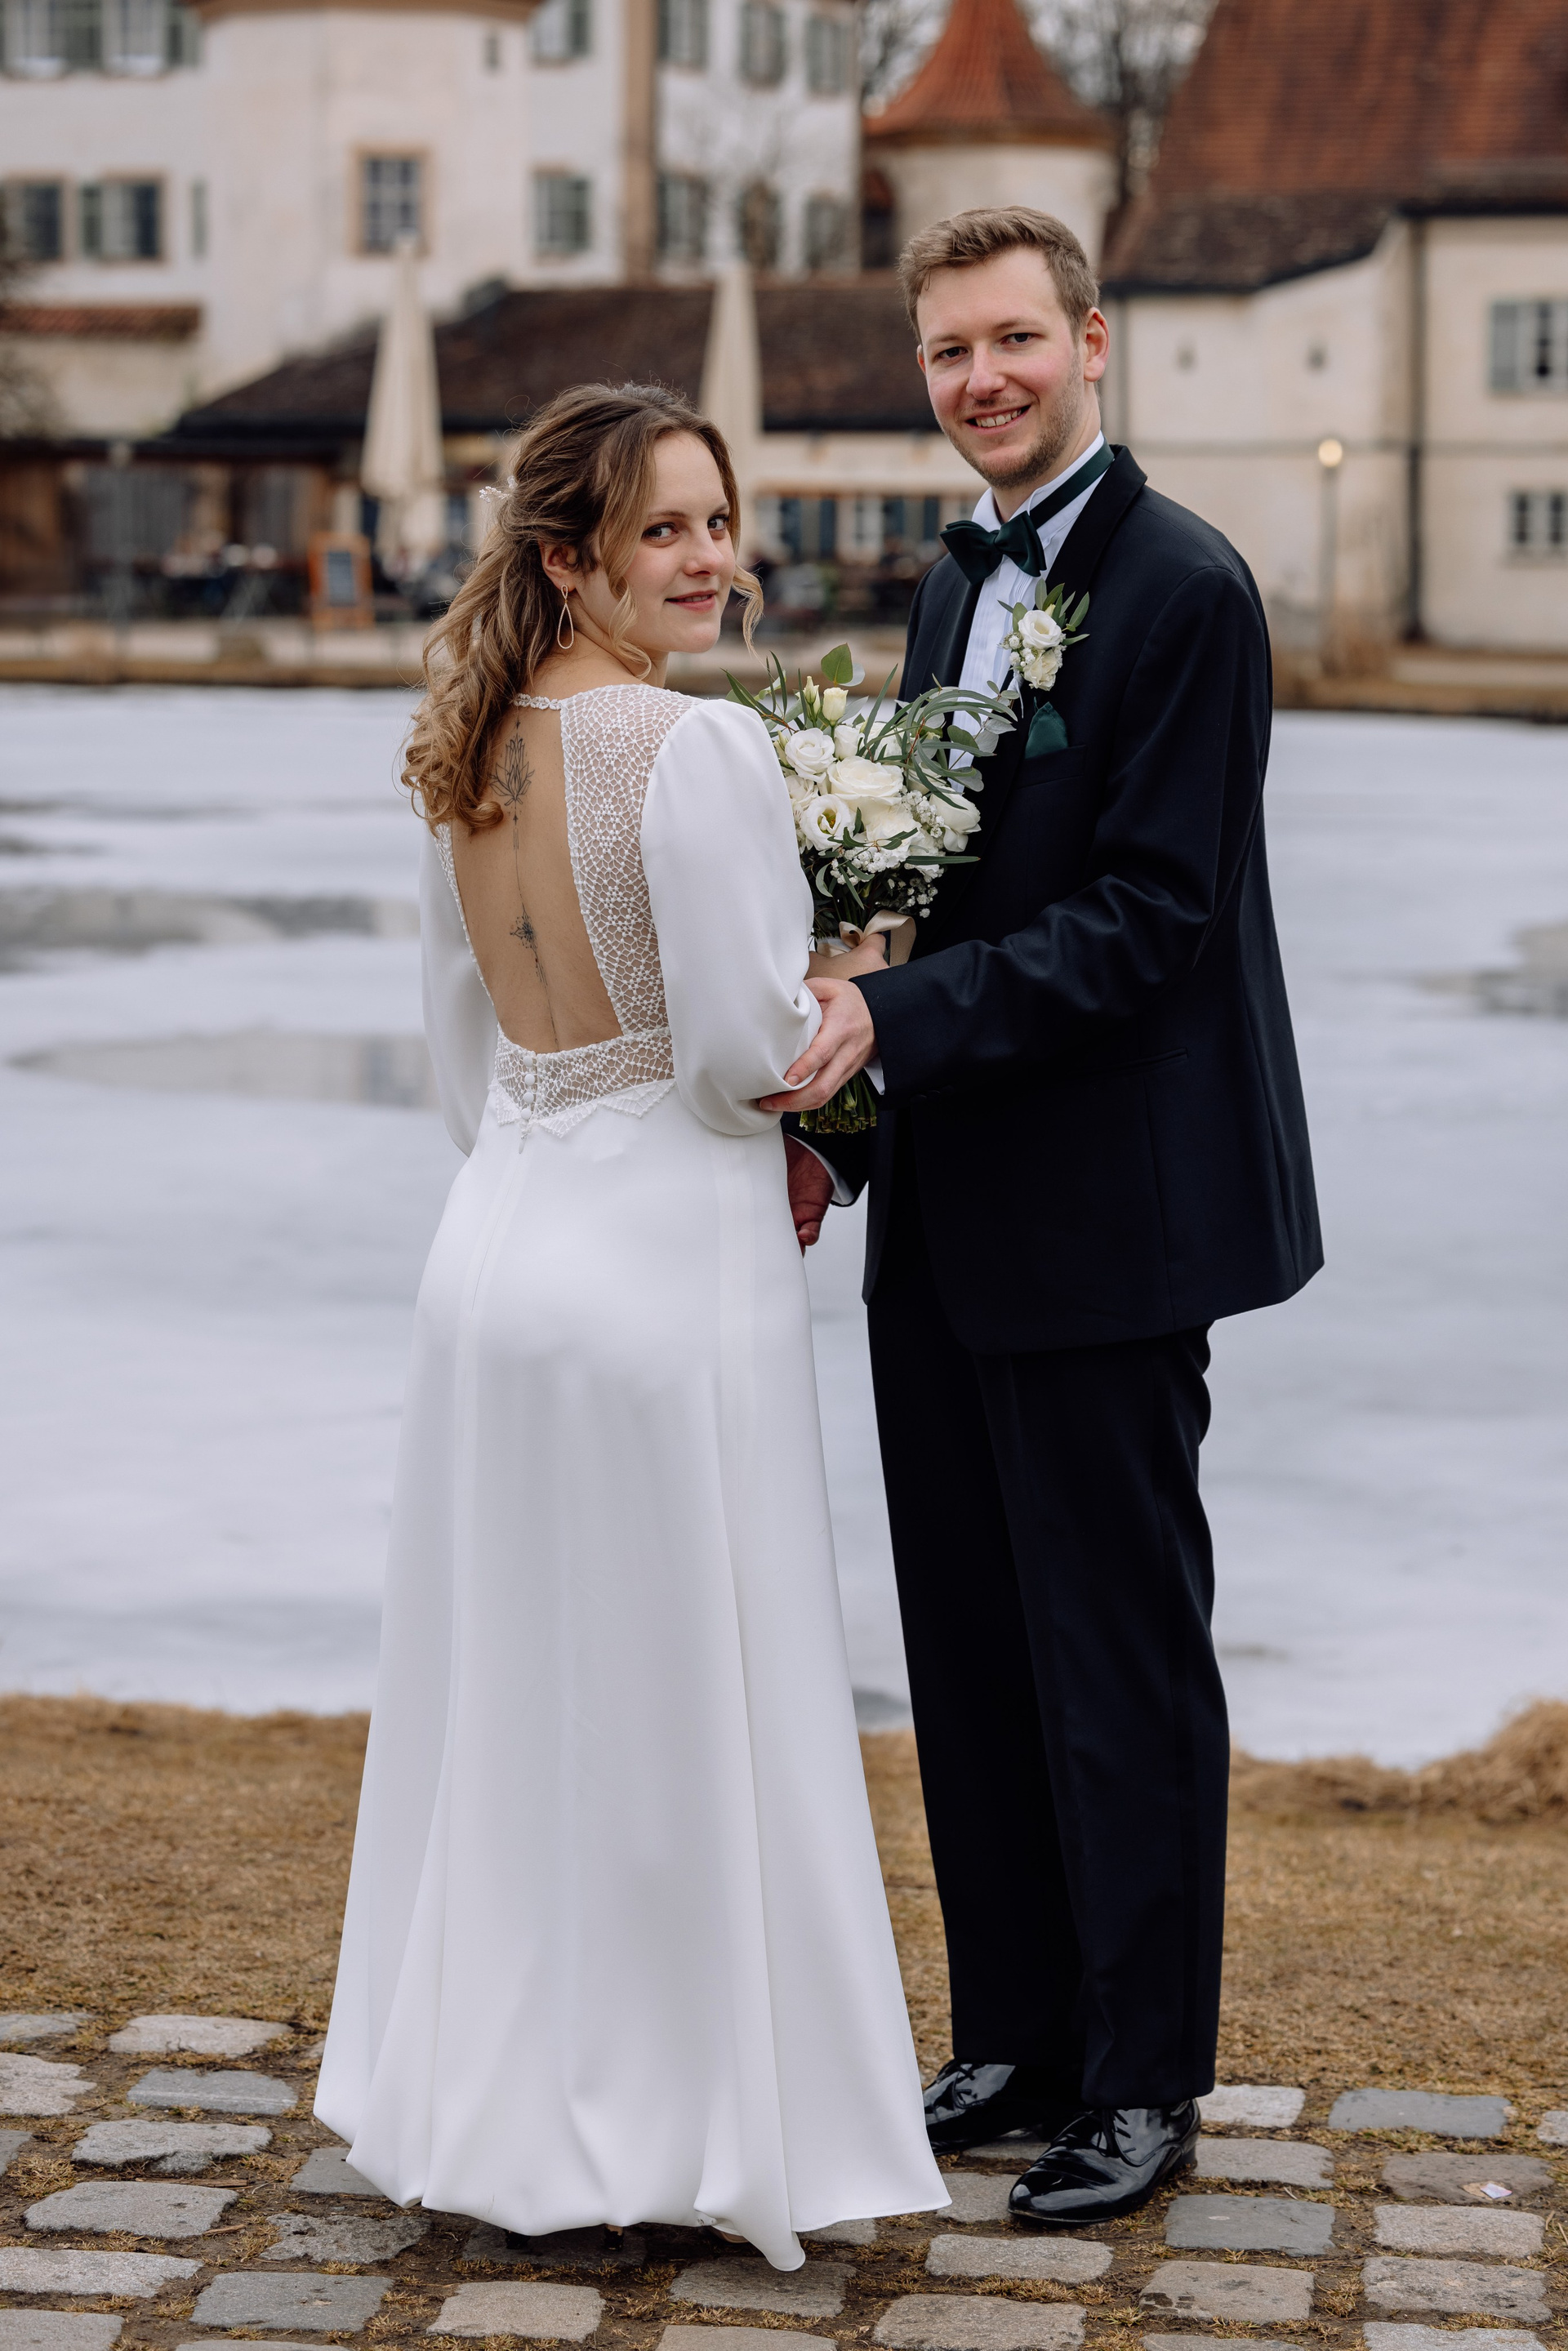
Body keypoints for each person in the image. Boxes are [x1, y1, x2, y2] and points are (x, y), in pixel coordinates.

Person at [316, 382, 945, 2269]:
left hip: (498, 1257)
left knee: (516, 1698)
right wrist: (861, 973)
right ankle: (669, 2132)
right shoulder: (698, 750)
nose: (706, 560)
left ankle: (499, 2114)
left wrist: (559, 1136)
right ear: (569, 557)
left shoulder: (471, 747)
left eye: (717, 522)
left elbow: (462, 1059)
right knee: (676, 1700)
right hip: (664, 1272)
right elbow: (742, 1057)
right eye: (660, 529)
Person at [778, 208, 1322, 2224]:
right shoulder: (950, 584)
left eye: (1013, 339)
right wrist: (847, 1106)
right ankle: (1013, 2035)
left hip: (1112, 1218)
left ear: (1092, 343)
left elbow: (1154, 918)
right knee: (972, 1642)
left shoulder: (1188, 590)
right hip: (947, 1206)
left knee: (1119, 1651)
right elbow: (927, 888)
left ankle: (1143, 2077)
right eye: (948, 351)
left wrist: (894, 1020)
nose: (981, 379)